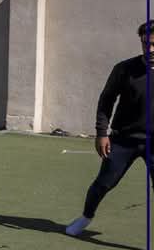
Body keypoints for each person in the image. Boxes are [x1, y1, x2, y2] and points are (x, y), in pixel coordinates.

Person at [65, 20, 154, 236]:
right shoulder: (124, 69)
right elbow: (106, 100)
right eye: (145, 43)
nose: (150, 49)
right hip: (124, 139)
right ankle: (86, 217)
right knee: (104, 183)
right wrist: (101, 133)